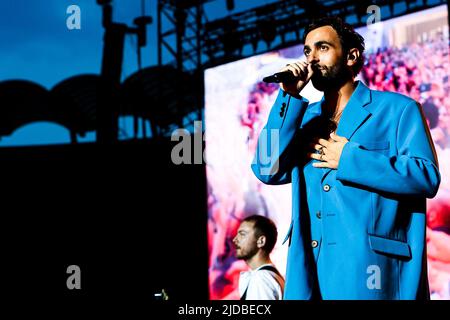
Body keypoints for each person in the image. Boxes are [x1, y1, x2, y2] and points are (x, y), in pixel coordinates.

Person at [251, 17, 440, 299]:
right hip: (309, 273)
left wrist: (350, 159)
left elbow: (426, 176)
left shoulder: (398, 109)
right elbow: (266, 168)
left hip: (371, 272)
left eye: (322, 47)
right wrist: (287, 97)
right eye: (306, 51)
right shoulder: (302, 119)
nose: (312, 58)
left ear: (351, 57)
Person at [232, 215, 285, 300]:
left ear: (261, 241)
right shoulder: (267, 276)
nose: (235, 239)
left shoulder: (261, 279)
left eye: (242, 234)